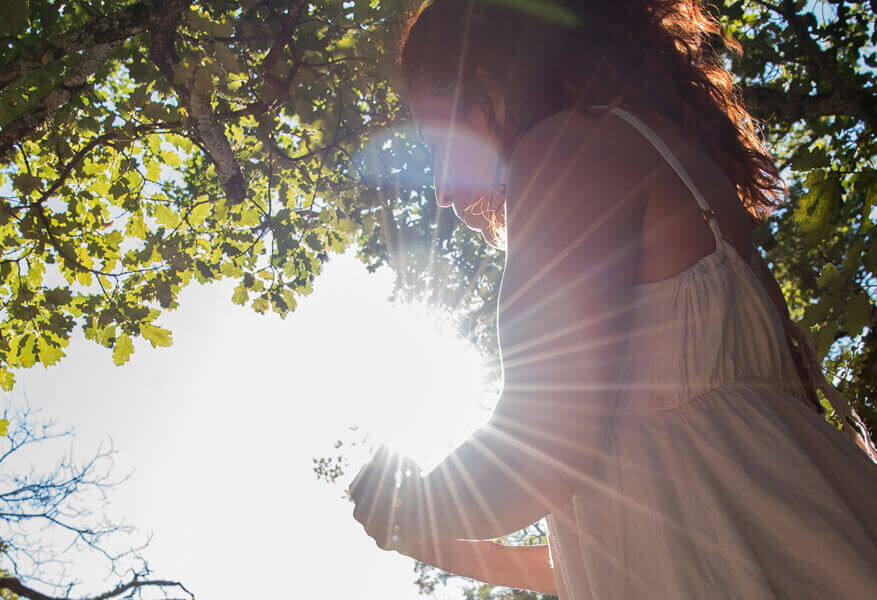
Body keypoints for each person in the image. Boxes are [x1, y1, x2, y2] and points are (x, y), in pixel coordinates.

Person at [348, 1, 877, 598]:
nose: (442, 190)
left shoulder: (563, 147)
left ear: (488, 84)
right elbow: (622, 552)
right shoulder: (663, 158)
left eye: (437, 144)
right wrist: (434, 536)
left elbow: (541, 449)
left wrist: (407, 504)